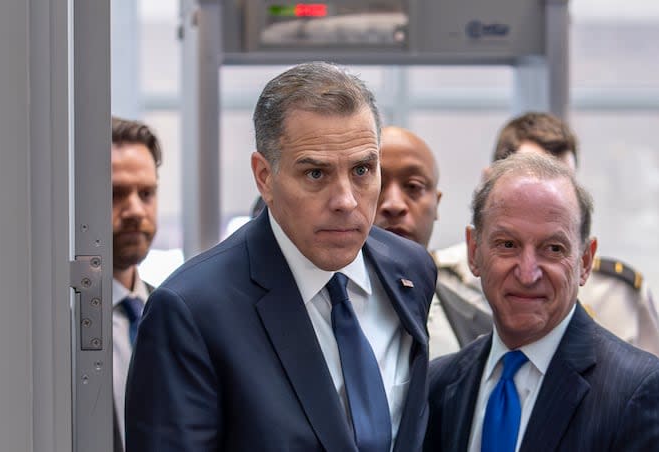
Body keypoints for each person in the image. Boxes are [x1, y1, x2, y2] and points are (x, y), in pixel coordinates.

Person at [125, 62, 437, 452]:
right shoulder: (192, 310)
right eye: (315, 174)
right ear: (264, 177)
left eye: (361, 169)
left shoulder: (411, 270)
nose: (345, 200)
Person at [424, 153, 659, 452]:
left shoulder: (639, 392)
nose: (528, 273)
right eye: (507, 245)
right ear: (473, 251)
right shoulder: (439, 386)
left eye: (553, 249)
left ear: (585, 261)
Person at [434, 112, 659, 381]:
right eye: (530, 175)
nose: (528, 274)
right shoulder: (438, 278)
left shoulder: (612, 292)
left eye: (560, 180)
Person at [374, 126, 459, 358]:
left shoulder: (476, 322)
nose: (394, 205)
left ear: (437, 204)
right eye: (378, 184)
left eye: (413, 187)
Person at [110, 116, 162, 452]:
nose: (134, 210)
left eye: (146, 193)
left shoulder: (171, 310)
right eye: (116, 194)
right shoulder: (56, 321)